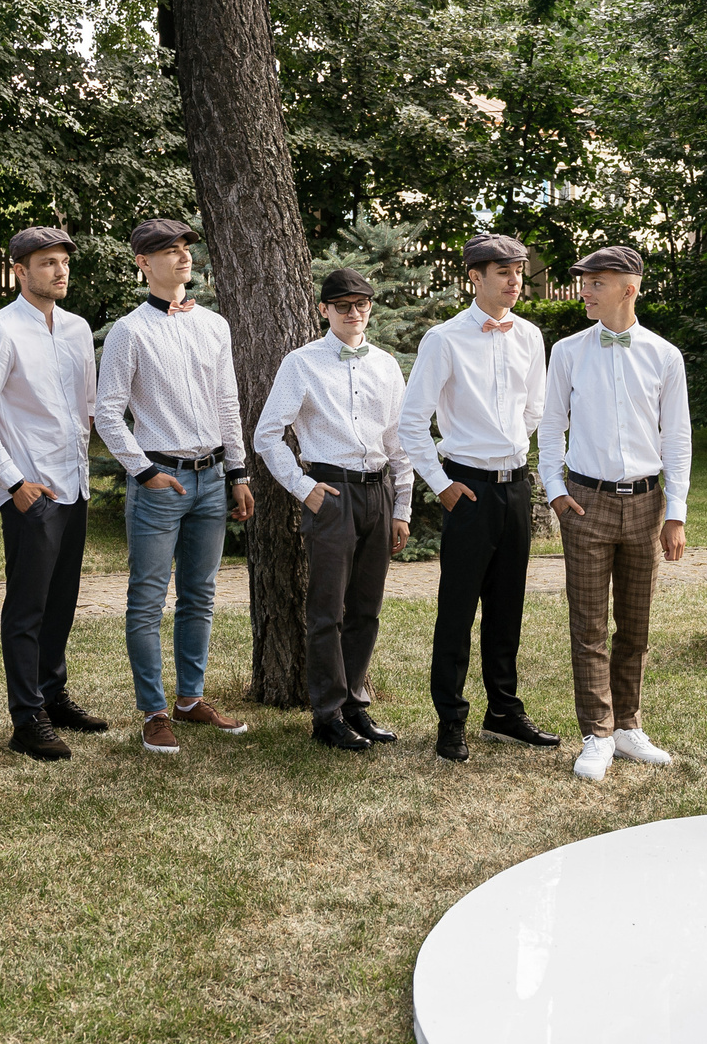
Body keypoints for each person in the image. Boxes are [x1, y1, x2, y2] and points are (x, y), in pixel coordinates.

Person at [95, 218, 254, 754]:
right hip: (160, 482)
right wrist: (144, 471)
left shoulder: (215, 325)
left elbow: (228, 404)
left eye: (185, 247)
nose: (182, 257)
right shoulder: (129, 331)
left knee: (200, 595)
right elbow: (107, 414)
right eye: (167, 250)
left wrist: (237, 472)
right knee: (146, 598)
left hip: (212, 478)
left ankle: (190, 700)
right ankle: (154, 710)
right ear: (143, 263)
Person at [400, 233, 558, 763]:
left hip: (515, 487)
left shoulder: (531, 336)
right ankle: (451, 718)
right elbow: (411, 421)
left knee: (508, 605)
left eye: (519, 271)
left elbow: (534, 408)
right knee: (457, 608)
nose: (515, 280)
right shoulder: (443, 340)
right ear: (475, 277)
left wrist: (513, 448)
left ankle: (504, 711)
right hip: (466, 489)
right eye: (503, 273)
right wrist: (441, 485)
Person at [540, 246, 690, 782]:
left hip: (646, 505)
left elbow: (676, 437)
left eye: (595, 282)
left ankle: (628, 727)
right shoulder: (568, 352)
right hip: (585, 502)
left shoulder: (664, 356)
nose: (584, 289)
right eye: (584, 280)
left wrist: (675, 511)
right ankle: (597, 734)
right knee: (588, 626)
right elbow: (551, 424)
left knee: (637, 624)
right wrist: (555, 490)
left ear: (629, 288)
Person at [0, 225, 108, 763]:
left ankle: (53, 694)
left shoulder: (76, 329)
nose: (60, 271)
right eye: (46, 263)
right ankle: (27, 718)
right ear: (20, 271)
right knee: (26, 609)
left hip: (74, 488)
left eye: (63, 261)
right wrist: (15, 483)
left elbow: (86, 408)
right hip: (32, 493)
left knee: (62, 602)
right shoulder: (0, 332)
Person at [253, 267, 413, 752]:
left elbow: (398, 440)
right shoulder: (301, 363)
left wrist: (401, 506)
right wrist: (305, 488)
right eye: (342, 305)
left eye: (361, 304)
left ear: (370, 308)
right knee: (327, 610)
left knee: (366, 609)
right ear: (324, 310)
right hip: (332, 495)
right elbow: (266, 435)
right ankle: (326, 715)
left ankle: (355, 707)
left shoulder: (386, 364)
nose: (353, 312)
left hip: (378, 494)